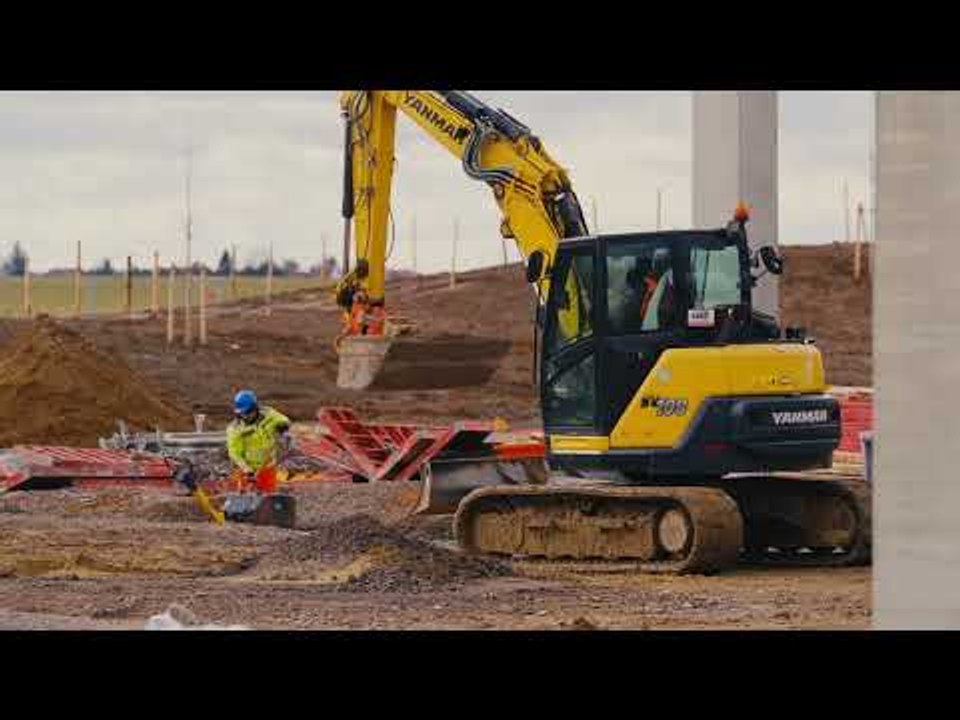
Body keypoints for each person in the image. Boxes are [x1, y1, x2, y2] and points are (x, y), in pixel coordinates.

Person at [226, 390, 293, 493]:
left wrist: (283, 425)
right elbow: (234, 453)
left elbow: (283, 419)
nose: (245, 416)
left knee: (269, 496)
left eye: (248, 412)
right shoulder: (235, 429)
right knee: (247, 496)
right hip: (247, 470)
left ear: (255, 408)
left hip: (267, 467)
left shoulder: (269, 415)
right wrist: (247, 470)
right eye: (242, 413)